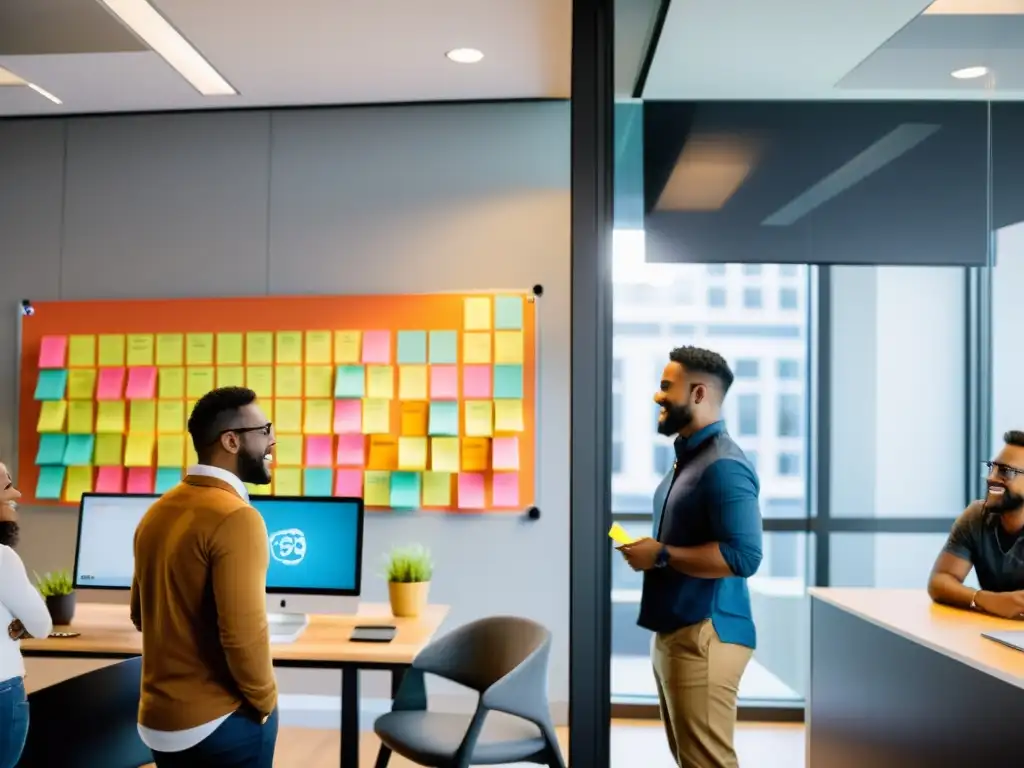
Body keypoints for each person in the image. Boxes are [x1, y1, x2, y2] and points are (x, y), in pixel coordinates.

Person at [618, 346, 763, 768]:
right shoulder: (689, 461)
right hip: (677, 632)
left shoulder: (725, 465)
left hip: (706, 635)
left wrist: (661, 554)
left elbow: (745, 556)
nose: (657, 396)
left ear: (698, 394)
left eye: (666, 387)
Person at [131, 387, 279, 767]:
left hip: (158, 722)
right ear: (231, 441)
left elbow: (140, 614)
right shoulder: (237, 517)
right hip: (217, 724)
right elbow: (243, 634)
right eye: (264, 430)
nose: (273, 439)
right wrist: (265, 702)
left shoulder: (159, 510)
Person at [928, 430, 1024, 618]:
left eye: (1005, 472)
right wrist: (984, 599)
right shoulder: (977, 516)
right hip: (993, 632)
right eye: (992, 467)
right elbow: (940, 581)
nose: (991, 478)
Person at [0, 463, 53, 768]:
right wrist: (22, 621)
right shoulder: (3, 558)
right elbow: (42, 625)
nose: (17, 494)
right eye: (7, 487)